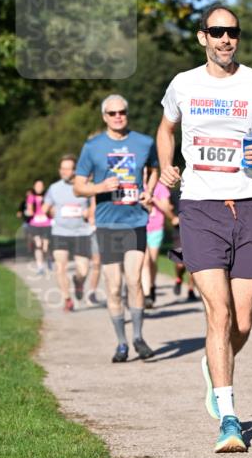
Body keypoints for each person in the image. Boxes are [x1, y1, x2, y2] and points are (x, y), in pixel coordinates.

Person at [157, 4, 252, 453]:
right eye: (216, 31)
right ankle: (230, 418)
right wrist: (165, 165)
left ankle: (214, 364)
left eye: (232, 32)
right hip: (199, 207)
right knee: (218, 314)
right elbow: (165, 129)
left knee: (243, 320)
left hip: (250, 206)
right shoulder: (183, 83)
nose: (225, 39)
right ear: (202, 37)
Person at [74, 95, 159, 362]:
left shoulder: (144, 142)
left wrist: (149, 191)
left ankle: (138, 337)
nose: (118, 116)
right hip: (108, 223)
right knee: (113, 286)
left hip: (135, 221)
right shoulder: (93, 147)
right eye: (112, 113)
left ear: (127, 113)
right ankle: (121, 343)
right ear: (104, 117)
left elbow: (154, 169)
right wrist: (100, 187)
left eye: (122, 112)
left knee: (134, 281)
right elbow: (78, 186)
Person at [43, 155, 93, 311]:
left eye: (67, 168)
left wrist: (88, 212)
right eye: (62, 168)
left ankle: (78, 282)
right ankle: (67, 299)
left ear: (75, 170)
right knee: (60, 268)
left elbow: (95, 205)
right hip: (60, 232)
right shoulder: (54, 188)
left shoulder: (85, 186)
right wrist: (50, 211)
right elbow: (46, 208)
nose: (63, 171)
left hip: (81, 232)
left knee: (83, 270)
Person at [141, 180, 174, 308]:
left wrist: (155, 199)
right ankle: (146, 294)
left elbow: (167, 208)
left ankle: (151, 285)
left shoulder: (160, 187)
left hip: (155, 229)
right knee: (145, 261)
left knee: (152, 262)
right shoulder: (136, 183)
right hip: (140, 228)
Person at [25, 179, 53, 273]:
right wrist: (29, 212)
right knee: (38, 244)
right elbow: (29, 209)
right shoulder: (31, 197)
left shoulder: (47, 197)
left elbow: (52, 209)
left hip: (46, 223)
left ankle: (49, 259)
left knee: (45, 245)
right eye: (37, 186)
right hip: (35, 224)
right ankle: (40, 266)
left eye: (41, 186)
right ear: (34, 187)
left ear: (43, 187)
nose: (39, 188)